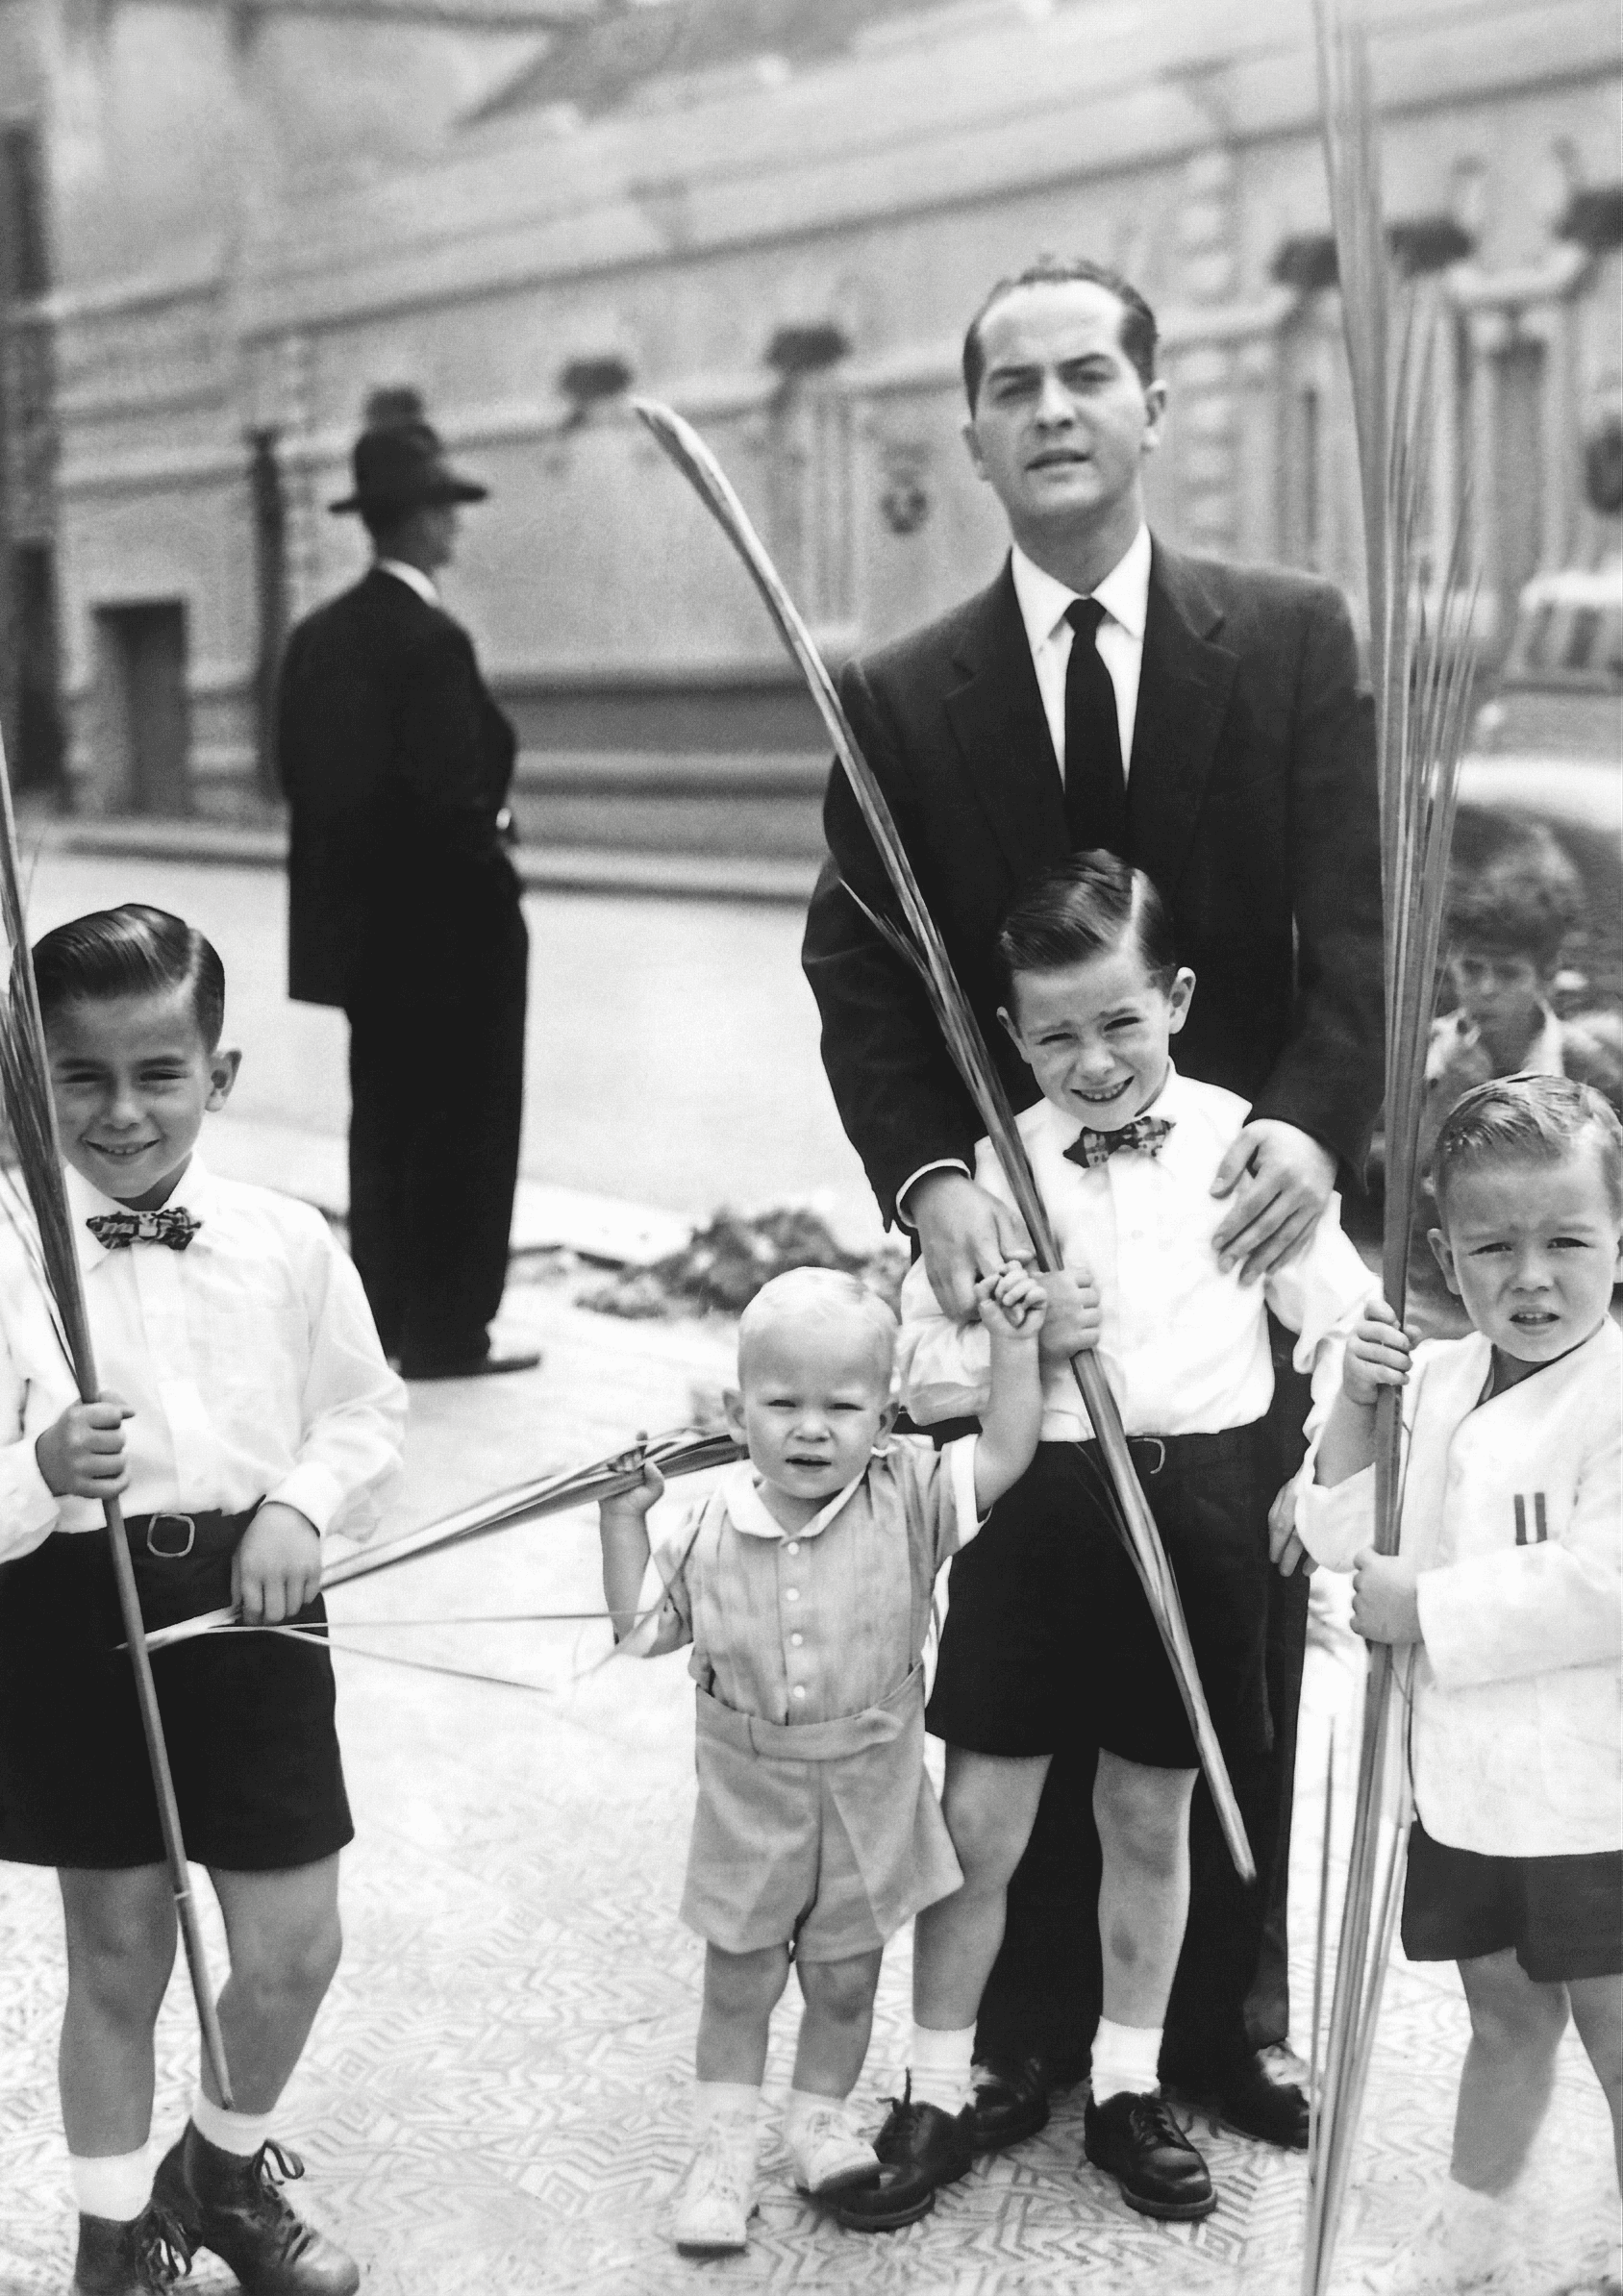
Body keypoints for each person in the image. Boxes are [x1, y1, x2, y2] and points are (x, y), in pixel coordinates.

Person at [801, 255, 1384, 2146]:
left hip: (1232, 1243)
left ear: (1152, 405)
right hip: (1033, 1290)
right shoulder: (898, 695)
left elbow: (1357, 933)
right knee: (1025, 1680)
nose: (1051, 410)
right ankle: (1020, 2035)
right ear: (971, 432)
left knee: (1224, 1643)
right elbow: (865, 979)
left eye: (1086, 376)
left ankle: (1225, 2018)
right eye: (1011, 385)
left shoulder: (1287, 635)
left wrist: (1305, 1123)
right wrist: (931, 1175)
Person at [828, 853, 1372, 2230]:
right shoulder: (997, 1170)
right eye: (1058, 1032)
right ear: (1014, 1035)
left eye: (1121, 1020)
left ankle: (1130, 2083)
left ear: (1177, 1001)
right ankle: (939, 2080)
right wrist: (1018, 1332)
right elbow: (923, 1363)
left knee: (1150, 1813)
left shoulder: (1246, 1146)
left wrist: (1316, 1474)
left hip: (1195, 1519)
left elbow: (1340, 1318)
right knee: (982, 1820)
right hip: (1038, 1514)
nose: (1095, 1059)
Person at [0, 905, 406, 2296]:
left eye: (158, 1074)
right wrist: (39, 1470)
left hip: (255, 1608)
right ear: (23, 1073)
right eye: (79, 1075)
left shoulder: (288, 1239)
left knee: (295, 1946)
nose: (121, 1113)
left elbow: (367, 1415)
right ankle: (112, 2243)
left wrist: (301, 1503)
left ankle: (220, 2175)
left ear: (218, 1078)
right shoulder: (7, 1253)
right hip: (68, 1609)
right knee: (120, 1954)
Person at [597, 1261, 1047, 2258]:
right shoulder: (704, 1529)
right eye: (781, 1402)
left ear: (884, 1416)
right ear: (735, 1408)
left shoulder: (914, 1496)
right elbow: (635, 1631)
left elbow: (1009, 1445)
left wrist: (1015, 1343)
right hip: (748, 1801)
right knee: (741, 1979)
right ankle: (720, 2153)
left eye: (841, 1406)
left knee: (845, 1980)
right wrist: (620, 1518)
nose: (811, 1427)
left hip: (869, 1795)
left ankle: (817, 2121)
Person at [1294, 1074, 1622, 2295]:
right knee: (1500, 2012)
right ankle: (1467, 2237)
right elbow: (1330, 1532)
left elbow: (1604, 1582)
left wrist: (1421, 1606)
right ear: (1442, 1251)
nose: (1529, 1277)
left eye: (1565, 1241)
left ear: (1619, 1235)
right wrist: (1351, 1407)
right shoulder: (1431, 1379)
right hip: (1464, 1786)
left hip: (1595, 1795)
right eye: (1492, 1246)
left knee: (1614, 2029)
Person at [277, 389, 537, 1382]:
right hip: (454, 945)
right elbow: (452, 803)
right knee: (467, 1132)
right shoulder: (433, 643)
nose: (455, 524)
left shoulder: (318, 638)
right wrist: (497, 833)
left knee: (383, 1128)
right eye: (447, 508)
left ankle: (383, 1317)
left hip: (367, 951)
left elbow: (296, 780)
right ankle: (449, 1330)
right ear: (422, 518)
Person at [1399, 826, 1623, 1339]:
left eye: (1508, 974)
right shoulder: (1426, 1059)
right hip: (1438, 1302)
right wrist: (1442, 1108)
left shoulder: (1588, 1068)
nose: (1485, 990)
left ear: (1546, 978)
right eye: (1471, 969)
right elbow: (1391, 1187)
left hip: (1555, 1309)